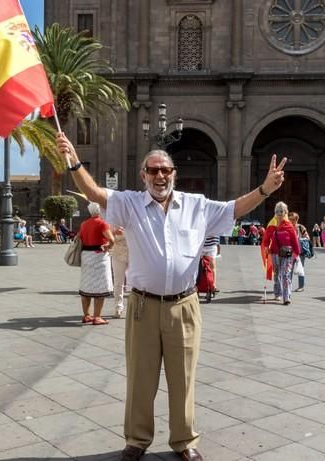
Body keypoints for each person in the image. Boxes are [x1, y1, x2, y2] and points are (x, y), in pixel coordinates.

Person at [56, 131, 286, 461]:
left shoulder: (197, 206)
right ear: (143, 175)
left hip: (184, 306)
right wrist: (74, 160)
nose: (159, 175)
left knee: (184, 378)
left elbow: (235, 209)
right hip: (142, 305)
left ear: (173, 174)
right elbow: (93, 191)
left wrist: (265, 189)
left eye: (165, 170)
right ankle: (137, 439)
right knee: (140, 378)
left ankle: (184, 441)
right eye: (153, 170)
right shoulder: (130, 203)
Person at [78, 202, 115, 326]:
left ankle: (86, 315)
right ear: (100, 211)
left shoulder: (84, 224)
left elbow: (80, 238)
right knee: (100, 287)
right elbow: (111, 239)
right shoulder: (102, 223)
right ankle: (97, 316)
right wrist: (108, 245)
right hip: (99, 255)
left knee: (86, 286)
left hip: (86, 256)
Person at [263, 203, 299, 304]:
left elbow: (295, 241)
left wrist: (296, 254)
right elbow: (266, 238)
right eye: (277, 211)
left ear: (285, 212)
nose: (279, 213)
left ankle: (286, 297)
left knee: (286, 274)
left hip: (287, 254)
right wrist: (266, 246)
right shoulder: (272, 224)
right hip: (274, 253)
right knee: (277, 273)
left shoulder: (289, 226)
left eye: (281, 211)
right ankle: (278, 293)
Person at [110, 226, 129, 318]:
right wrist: (113, 232)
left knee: (138, 282)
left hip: (135, 252)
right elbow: (108, 236)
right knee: (118, 282)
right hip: (118, 253)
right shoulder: (113, 218)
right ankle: (118, 307)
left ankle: (137, 307)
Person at [289, 211, 309, 292]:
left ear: (296, 219)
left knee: (300, 269)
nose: (291, 221)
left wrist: (299, 240)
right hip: (290, 252)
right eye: (290, 219)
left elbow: (307, 237)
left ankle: (301, 286)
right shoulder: (288, 227)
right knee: (289, 269)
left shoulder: (301, 227)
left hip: (300, 252)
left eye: (293, 219)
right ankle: (288, 286)